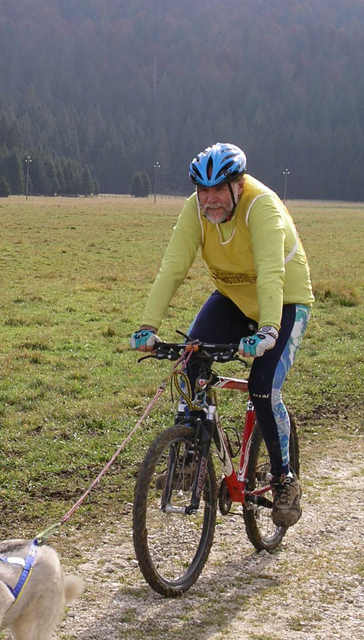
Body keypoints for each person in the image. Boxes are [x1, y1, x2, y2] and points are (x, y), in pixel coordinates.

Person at [130, 142, 314, 528]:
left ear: (239, 185)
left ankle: (285, 481)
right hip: (233, 297)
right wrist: (148, 326)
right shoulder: (196, 211)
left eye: (219, 190)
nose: (210, 200)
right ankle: (190, 459)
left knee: (263, 386)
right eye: (203, 191)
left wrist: (268, 330)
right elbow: (173, 267)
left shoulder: (261, 206)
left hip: (283, 301)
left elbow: (270, 272)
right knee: (191, 357)